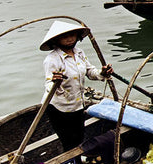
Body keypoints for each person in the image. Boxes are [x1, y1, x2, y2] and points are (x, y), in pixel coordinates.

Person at [40, 21, 113, 155]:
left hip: (78, 104)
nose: (69, 39)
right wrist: (55, 82)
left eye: (72, 35)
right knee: (68, 141)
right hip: (59, 107)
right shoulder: (52, 59)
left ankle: (79, 161)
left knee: (79, 137)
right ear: (56, 40)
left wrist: (102, 73)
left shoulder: (79, 53)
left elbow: (90, 71)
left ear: (77, 36)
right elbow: (49, 84)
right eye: (65, 36)